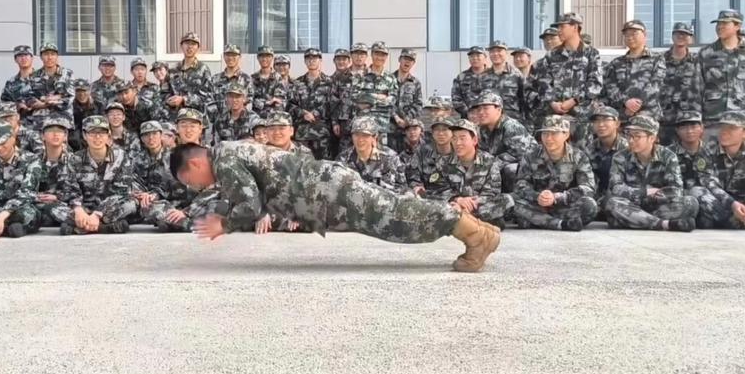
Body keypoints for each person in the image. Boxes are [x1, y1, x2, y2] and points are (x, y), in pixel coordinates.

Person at [172, 141, 501, 272]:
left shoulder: (224, 161)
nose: (195, 187)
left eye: (189, 180)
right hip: (326, 190)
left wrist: (223, 224)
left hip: (326, 192)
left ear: (195, 164)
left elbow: (249, 203)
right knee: (394, 214)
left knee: (397, 219)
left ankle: (474, 234)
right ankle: (480, 231)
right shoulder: (227, 153)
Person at [605, 115, 698, 232]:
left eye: (637, 136)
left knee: (690, 203)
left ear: (652, 138)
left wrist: (654, 198)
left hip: (655, 206)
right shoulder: (620, 157)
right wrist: (645, 192)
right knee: (613, 203)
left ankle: (638, 220)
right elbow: (616, 188)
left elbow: (676, 189)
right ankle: (664, 224)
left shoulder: (668, 156)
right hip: (631, 204)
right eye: (628, 135)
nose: (631, 140)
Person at [423, 118, 514, 228]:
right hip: (455, 206)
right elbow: (436, 190)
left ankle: (461, 219)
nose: (458, 143)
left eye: (462, 138)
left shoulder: (489, 161)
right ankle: (473, 221)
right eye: (454, 138)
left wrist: (471, 203)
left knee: (506, 200)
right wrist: (458, 200)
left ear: (474, 140)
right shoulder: (442, 163)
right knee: (431, 204)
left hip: (476, 207)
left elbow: (492, 193)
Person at [512, 115, 597, 231]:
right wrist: (537, 196)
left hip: (564, 206)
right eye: (545, 133)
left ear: (566, 135)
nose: (548, 138)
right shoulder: (530, 155)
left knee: (589, 205)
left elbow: (588, 188)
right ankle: (561, 224)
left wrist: (558, 197)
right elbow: (521, 184)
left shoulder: (579, 157)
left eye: (554, 133)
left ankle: (538, 221)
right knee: (512, 202)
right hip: (538, 205)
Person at [57, 115, 137, 235]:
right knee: (54, 207)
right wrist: (78, 209)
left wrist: (98, 214)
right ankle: (104, 227)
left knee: (131, 204)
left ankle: (80, 228)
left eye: (102, 133)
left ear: (108, 135)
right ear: (84, 135)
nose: (97, 137)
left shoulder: (121, 157)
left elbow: (121, 192)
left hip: (109, 208)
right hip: (84, 208)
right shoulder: (74, 159)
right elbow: (70, 189)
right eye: (92, 133)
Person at [532, 12, 603, 141]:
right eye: (558, 27)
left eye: (562, 27)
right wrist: (552, 102)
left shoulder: (591, 53)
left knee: (582, 151)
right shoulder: (552, 55)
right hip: (556, 118)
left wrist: (574, 100)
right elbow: (543, 83)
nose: (559, 31)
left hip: (582, 117)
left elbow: (595, 84)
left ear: (575, 27)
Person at [698, 10, 745, 126]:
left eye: (725, 23)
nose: (720, 27)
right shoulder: (706, 53)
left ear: (737, 26)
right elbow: (697, 88)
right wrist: (698, 119)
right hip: (713, 117)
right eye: (718, 24)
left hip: (742, 116)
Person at [467, 92, 536, 193]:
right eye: (478, 109)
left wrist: (491, 164)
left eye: (486, 108)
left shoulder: (511, 126)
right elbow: (481, 152)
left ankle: (517, 198)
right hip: (498, 166)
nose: (481, 112)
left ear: (499, 109)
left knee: (511, 169)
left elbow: (519, 154)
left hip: (531, 167)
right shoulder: (482, 129)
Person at [601, 20, 664, 123]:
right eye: (626, 35)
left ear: (644, 35)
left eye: (634, 34)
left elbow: (656, 84)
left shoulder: (657, 59)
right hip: (623, 115)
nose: (630, 37)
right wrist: (626, 101)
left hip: (648, 117)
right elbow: (610, 87)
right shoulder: (616, 63)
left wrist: (636, 105)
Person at [337, 116, 407, 192]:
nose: (360, 139)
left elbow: (402, 188)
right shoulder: (343, 158)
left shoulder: (391, 158)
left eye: (365, 135)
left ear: (374, 137)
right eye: (356, 135)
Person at [660, 23, 703, 145]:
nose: (681, 37)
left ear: (691, 38)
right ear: (672, 36)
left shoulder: (698, 61)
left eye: (685, 34)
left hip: (689, 120)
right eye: (677, 34)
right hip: (665, 119)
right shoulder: (659, 60)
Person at [580, 105, 628, 212]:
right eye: (596, 120)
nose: (601, 124)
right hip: (597, 199)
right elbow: (587, 182)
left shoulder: (628, 149)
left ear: (617, 123)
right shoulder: (589, 150)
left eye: (606, 119)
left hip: (621, 199)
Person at [290, 48, 334, 159]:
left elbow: (333, 104)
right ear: (305, 61)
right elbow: (290, 104)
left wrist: (315, 113)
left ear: (320, 60)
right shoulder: (297, 83)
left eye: (314, 58)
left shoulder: (329, 82)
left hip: (322, 133)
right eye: (308, 59)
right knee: (302, 164)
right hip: (302, 134)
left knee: (323, 165)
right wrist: (302, 113)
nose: (311, 61)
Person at [351, 41, 398, 147]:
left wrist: (368, 99)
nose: (379, 57)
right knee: (363, 151)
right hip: (363, 125)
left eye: (383, 55)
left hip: (382, 125)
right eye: (377, 54)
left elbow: (393, 99)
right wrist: (377, 97)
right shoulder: (360, 76)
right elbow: (355, 97)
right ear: (371, 54)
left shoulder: (390, 78)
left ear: (386, 57)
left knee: (381, 153)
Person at [164, 32, 214, 121]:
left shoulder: (203, 69)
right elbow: (163, 93)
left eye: (193, 44)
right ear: (181, 46)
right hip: (176, 119)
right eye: (187, 43)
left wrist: (184, 99)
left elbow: (208, 96)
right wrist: (170, 100)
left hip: (196, 119)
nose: (190, 47)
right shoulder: (173, 70)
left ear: (198, 48)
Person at [34, 115, 74, 227]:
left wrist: (58, 197)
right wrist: (37, 197)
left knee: (58, 210)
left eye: (60, 131)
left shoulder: (75, 160)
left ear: (65, 136)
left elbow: (82, 190)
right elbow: (24, 187)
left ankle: (75, 224)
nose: (55, 134)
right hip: (38, 203)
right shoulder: (33, 160)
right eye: (51, 131)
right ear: (42, 136)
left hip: (64, 204)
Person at [482, 40, 526, 124]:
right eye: (492, 51)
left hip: (512, 120)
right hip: (490, 122)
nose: (495, 54)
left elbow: (524, 100)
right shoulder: (483, 76)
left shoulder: (517, 74)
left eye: (499, 51)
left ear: (506, 53)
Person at [29, 42, 75, 125]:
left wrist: (47, 102)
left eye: (52, 54)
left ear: (57, 56)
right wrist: (56, 98)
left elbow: (70, 97)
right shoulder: (34, 75)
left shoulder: (67, 73)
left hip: (62, 118)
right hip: (40, 119)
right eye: (46, 54)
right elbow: (30, 97)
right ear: (41, 57)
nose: (49, 57)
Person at [408, 117, 454, 196]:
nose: (440, 133)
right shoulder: (422, 152)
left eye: (445, 129)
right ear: (432, 133)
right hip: (429, 197)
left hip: (455, 198)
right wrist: (417, 186)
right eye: (437, 130)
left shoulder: (461, 152)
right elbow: (413, 174)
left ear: (453, 133)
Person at [1, 45, 42, 128]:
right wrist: (18, 106)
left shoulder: (43, 78)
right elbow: (4, 104)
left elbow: (50, 101)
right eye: (20, 56)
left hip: (40, 124)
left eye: (26, 55)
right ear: (15, 60)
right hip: (19, 125)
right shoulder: (11, 83)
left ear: (32, 58)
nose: (23, 58)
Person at [667, 111, 707, 191]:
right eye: (684, 127)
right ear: (677, 130)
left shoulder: (712, 151)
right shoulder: (667, 153)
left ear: (702, 128)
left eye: (694, 126)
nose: (689, 131)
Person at [392, 49, 423, 152]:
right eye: (405, 58)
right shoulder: (389, 79)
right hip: (391, 128)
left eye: (411, 60)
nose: (407, 62)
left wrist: (407, 119)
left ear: (413, 63)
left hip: (408, 129)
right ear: (399, 59)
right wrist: (396, 117)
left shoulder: (416, 83)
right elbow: (386, 102)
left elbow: (418, 104)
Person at [451, 45, 491, 118]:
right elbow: (456, 99)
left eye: (478, 55)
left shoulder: (493, 75)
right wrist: (469, 112)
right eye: (472, 56)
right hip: (468, 117)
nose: (475, 58)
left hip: (489, 117)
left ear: (485, 57)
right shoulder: (461, 77)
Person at [212, 44, 252, 115]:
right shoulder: (215, 79)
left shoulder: (246, 79)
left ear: (239, 57)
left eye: (234, 55)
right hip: (219, 120)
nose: (230, 58)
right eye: (228, 55)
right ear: (224, 56)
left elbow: (249, 102)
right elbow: (209, 101)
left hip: (239, 120)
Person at [251, 45, 287, 117]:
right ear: (258, 58)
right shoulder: (253, 78)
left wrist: (260, 102)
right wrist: (268, 102)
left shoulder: (278, 78)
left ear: (272, 58)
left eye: (267, 56)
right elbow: (250, 100)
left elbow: (279, 102)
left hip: (274, 118)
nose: (264, 59)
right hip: (256, 118)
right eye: (261, 56)